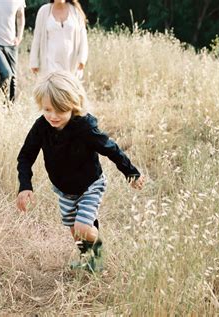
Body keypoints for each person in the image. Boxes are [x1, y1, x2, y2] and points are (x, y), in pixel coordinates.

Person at [16, 71, 145, 272]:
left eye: (60, 110)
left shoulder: (84, 127)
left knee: (82, 228)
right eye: (47, 109)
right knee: (75, 233)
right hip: (64, 190)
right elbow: (25, 156)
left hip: (90, 185)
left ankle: (99, 250)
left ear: (73, 105)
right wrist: (25, 186)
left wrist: (131, 173)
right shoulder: (42, 127)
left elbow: (111, 149)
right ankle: (92, 263)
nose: (53, 116)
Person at [29, 0, 88, 79]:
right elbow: (37, 37)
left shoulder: (75, 12)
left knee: (69, 90)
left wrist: (82, 60)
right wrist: (34, 62)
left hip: (71, 65)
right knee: (53, 89)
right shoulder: (44, 11)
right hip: (50, 64)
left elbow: (83, 38)